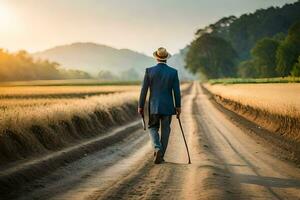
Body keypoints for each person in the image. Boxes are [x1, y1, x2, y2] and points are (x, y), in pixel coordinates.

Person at [138, 47, 181, 164]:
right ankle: (161, 156)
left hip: (154, 107)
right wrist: (178, 107)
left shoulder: (149, 71)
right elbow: (176, 91)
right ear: (166, 58)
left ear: (156, 58)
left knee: (152, 127)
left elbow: (144, 90)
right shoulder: (173, 72)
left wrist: (140, 106)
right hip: (168, 107)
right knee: (166, 129)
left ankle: (157, 148)